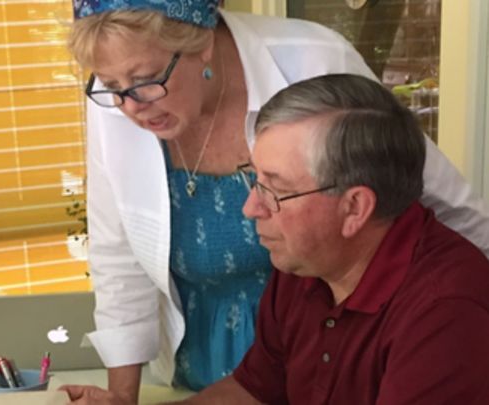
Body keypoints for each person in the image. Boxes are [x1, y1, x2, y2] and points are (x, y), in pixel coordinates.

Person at [64, 0, 489, 402]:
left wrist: (468, 303)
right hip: (244, 351)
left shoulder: (315, 65)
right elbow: (117, 256)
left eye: (147, 79)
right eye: (111, 86)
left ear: (202, 43)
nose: (128, 106)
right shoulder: (298, 281)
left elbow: (431, 193)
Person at [171, 73, 489, 404]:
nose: (251, 208)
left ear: (355, 208)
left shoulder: (445, 311)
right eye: (254, 178)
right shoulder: (307, 261)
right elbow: (254, 389)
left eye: (276, 189)